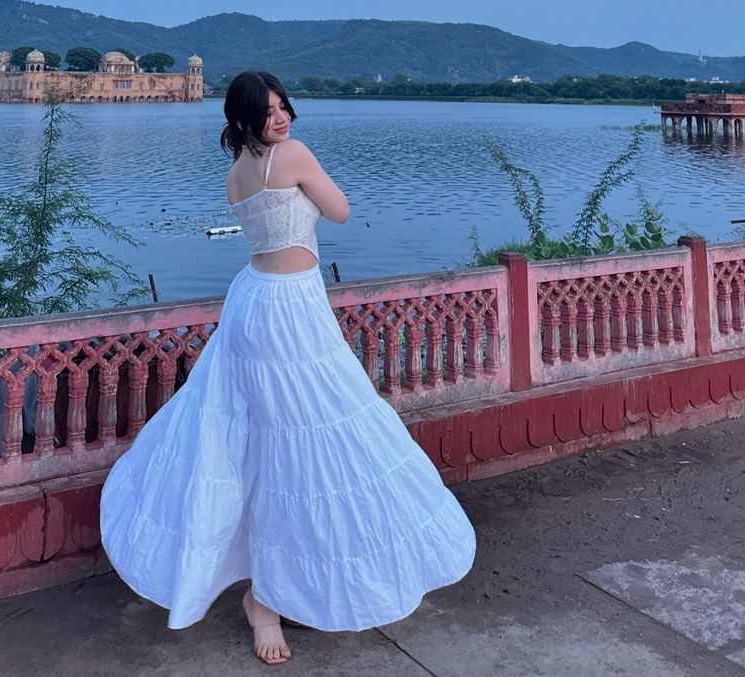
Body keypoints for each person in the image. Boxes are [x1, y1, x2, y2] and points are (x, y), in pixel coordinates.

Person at [101, 70, 476, 664]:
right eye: (269, 111)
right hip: (290, 307)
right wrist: (309, 183)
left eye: (284, 108)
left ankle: (276, 590)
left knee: (260, 441)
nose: (282, 118)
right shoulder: (293, 155)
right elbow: (342, 211)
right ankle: (267, 598)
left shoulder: (235, 176)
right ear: (244, 119)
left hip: (253, 300)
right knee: (296, 442)